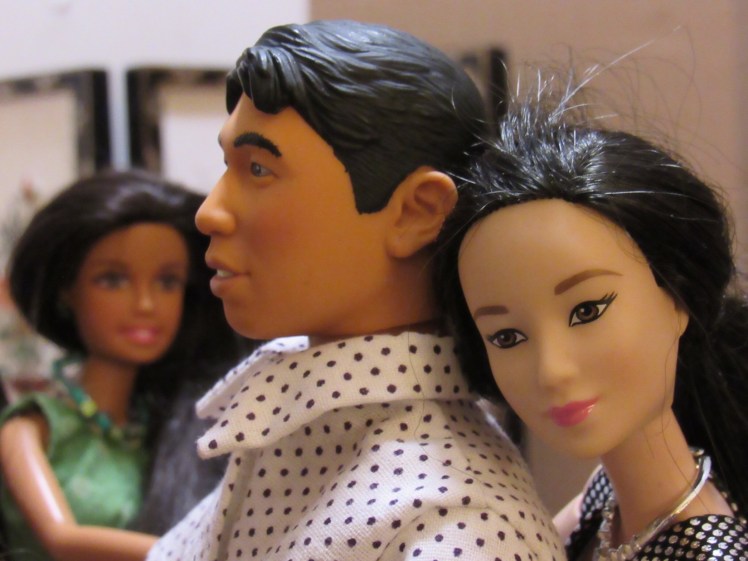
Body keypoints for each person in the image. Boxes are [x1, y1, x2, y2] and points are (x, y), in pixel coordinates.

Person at [147, 19, 564, 561]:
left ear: (417, 211)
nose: (210, 212)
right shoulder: (291, 424)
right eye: (230, 166)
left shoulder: (458, 525)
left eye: (259, 169)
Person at [434, 86, 748, 560]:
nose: (552, 370)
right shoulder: (607, 500)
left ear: (677, 296)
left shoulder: (706, 552)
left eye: (587, 311)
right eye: (507, 336)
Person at [0, 170, 250, 561]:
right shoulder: (33, 428)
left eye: (167, 282)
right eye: (113, 280)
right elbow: (62, 539)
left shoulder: (169, 433)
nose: (146, 304)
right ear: (66, 292)